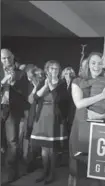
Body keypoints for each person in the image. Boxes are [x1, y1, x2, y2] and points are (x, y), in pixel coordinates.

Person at [68, 53, 105, 186]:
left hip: (101, 125)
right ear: (88, 64)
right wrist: (102, 95)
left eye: (99, 63)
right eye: (93, 63)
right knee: (78, 160)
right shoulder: (77, 81)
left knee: (98, 161)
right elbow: (79, 103)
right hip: (82, 125)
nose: (96, 66)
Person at [30, 60, 68, 184]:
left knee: (52, 148)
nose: (54, 71)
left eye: (56, 69)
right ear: (47, 70)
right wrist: (46, 85)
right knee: (44, 148)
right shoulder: (42, 82)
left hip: (55, 117)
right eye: (51, 68)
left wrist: (51, 85)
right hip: (42, 116)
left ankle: (52, 173)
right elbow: (35, 97)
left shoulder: (62, 83)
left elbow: (59, 98)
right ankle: (44, 172)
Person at [1, 49, 30, 183]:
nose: (6, 61)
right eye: (3, 58)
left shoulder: (21, 73)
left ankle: (10, 174)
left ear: (13, 57)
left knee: (12, 142)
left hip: (12, 110)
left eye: (8, 58)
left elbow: (24, 93)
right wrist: (3, 81)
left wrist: (13, 83)